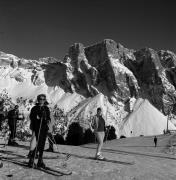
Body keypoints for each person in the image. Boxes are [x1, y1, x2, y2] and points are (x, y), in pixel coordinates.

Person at [28, 94, 51, 168]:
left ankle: (40, 160)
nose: (42, 100)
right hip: (38, 128)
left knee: (42, 144)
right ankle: (32, 159)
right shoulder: (35, 108)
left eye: (43, 99)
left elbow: (48, 117)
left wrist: (47, 120)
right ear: (38, 100)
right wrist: (38, 117)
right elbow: (32, 117)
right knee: (39, 144)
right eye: (40, 99)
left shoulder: (46, 108)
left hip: (44, 128)